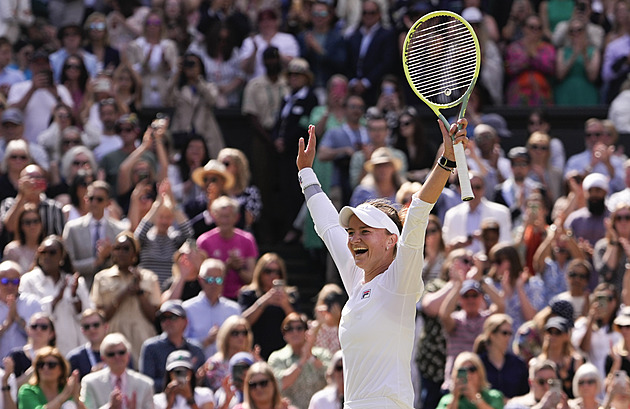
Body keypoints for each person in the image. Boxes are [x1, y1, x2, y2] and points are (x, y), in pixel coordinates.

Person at [297, 111, 468, 408]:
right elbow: (326, 224)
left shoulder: (400, 279)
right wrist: (306, 173)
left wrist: (447, 161)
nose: (354, 238)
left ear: (392, 240)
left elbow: (416, 212)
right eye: (351, 232)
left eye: (365, 231)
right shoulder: (355, 278)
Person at [90, 232, 161, 361]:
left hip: (142, 340)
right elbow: (101, 316)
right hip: (114, 342)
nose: (121, 252)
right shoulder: (101, 278)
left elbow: (154, 318)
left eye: (126, 249)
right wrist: (124, 293)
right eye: (117, 248)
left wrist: (140, 292)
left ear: (135, 254)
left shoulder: (149, 278)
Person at [19, 236, 91, 356]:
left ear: (62, 256)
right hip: (42, 349)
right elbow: (28, 316)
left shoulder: (75, 281)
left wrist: (74, 296)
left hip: (72, 344)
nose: (47, 256)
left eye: (52, 252)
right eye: (43, 252)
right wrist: (56, 299)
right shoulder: (28, 281)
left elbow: (86, 314)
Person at [62, 181, 128, 288]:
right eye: (91, 198)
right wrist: (97, 261)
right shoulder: (72, 228)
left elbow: (125, 263)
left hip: (111, 290)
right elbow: (68, 265)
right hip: (81, 289)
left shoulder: (119, 230)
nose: (94, 203)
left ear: (108, 203)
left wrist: (110, 254)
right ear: (85, 199)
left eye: (99, 199)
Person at [238, 253, 298, 360]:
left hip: (283, 351)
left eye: (277, 272)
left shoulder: (290, 295)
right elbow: (243, 322)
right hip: (256, 349)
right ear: (260, 272)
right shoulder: (249, 294)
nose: (273, 275)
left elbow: (298, 322)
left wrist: (285, 304)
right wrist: (264, 301)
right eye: (268, 271)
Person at [196, 196, 258, 300]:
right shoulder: (204, 241)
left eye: (228, 216)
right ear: (214, 216)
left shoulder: (247, 240)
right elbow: (203, 279)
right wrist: (227, 267)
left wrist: (238, 269)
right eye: (221, 216)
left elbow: (252, 279)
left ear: (236, 217)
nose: (224, 221)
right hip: (213, 298)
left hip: (241, 298)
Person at [138, 300, 205, 393]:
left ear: (185, 322)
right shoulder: (151, 347)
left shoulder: (196, 349)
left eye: (173, 317)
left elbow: (206, 384)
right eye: (163, 318)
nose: (167, 321)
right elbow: (146, 383)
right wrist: (177, 384)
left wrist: (198, 380)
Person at [268, 313, 330, 409]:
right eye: (289, 329)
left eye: (299, 328)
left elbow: (332, 378)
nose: (295, 332)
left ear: (306, 331)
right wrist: (302, 360)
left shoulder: (322, 354)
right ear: (284, 334)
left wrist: (311, 357)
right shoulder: (277, 357)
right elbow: (280, 384)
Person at [182, 258, 240, 358]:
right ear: (200, 280)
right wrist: (205, 341)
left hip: (226, 369)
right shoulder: (187, 308)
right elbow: (181, 342)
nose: (214, 285)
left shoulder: (234, 309)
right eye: (209, 280)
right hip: (197, 366)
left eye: (218, 280)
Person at [80, 333, 154, 409]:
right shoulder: (90, 382)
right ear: (103, 358)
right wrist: (110, 407)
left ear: (128, 355)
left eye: (121, 352)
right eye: (111, 354)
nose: (117, 357)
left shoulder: (145, 384)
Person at [473, 314, 529, 398]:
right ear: (491, 335)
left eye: (510, 333)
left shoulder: (518, 364)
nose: (508, 337)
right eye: (504, 333)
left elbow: (526, 395)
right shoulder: (477, 364)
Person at [17, 347, 85, 409]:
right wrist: (64, 396)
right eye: (40, 364)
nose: (45, 368)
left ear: (61, 369)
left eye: (51, 365)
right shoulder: (27, 391)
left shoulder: (66, 388)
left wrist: (76, 396)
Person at [0, 261, 42, 359]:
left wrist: (17, 318)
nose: (10, 286)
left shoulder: (32, 303)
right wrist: (7, 324)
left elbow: (41, 336)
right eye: (5, 281)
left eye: (15, 281)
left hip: (28, 365)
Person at [436, 351, 505, 409]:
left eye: (472, 369)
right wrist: (455, 399)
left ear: (480, 373)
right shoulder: (446, 400)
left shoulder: (494, 396)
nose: (468, 374)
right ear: (455, 374)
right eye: (462, 370)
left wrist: (475, 398)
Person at [66, 309, 109, 380]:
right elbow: (70, 389)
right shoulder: (74, 358)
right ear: (82, 330)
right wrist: (90, 379)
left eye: (96, 325)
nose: (92, 329)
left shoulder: (120, 352)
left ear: (106, 327)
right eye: (87, 327)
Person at [3, 204, 43, 273]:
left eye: (35, 221)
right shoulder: (12, 250)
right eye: (27, 222)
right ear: (21, 226)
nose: (32, 226)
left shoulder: (48, 249)